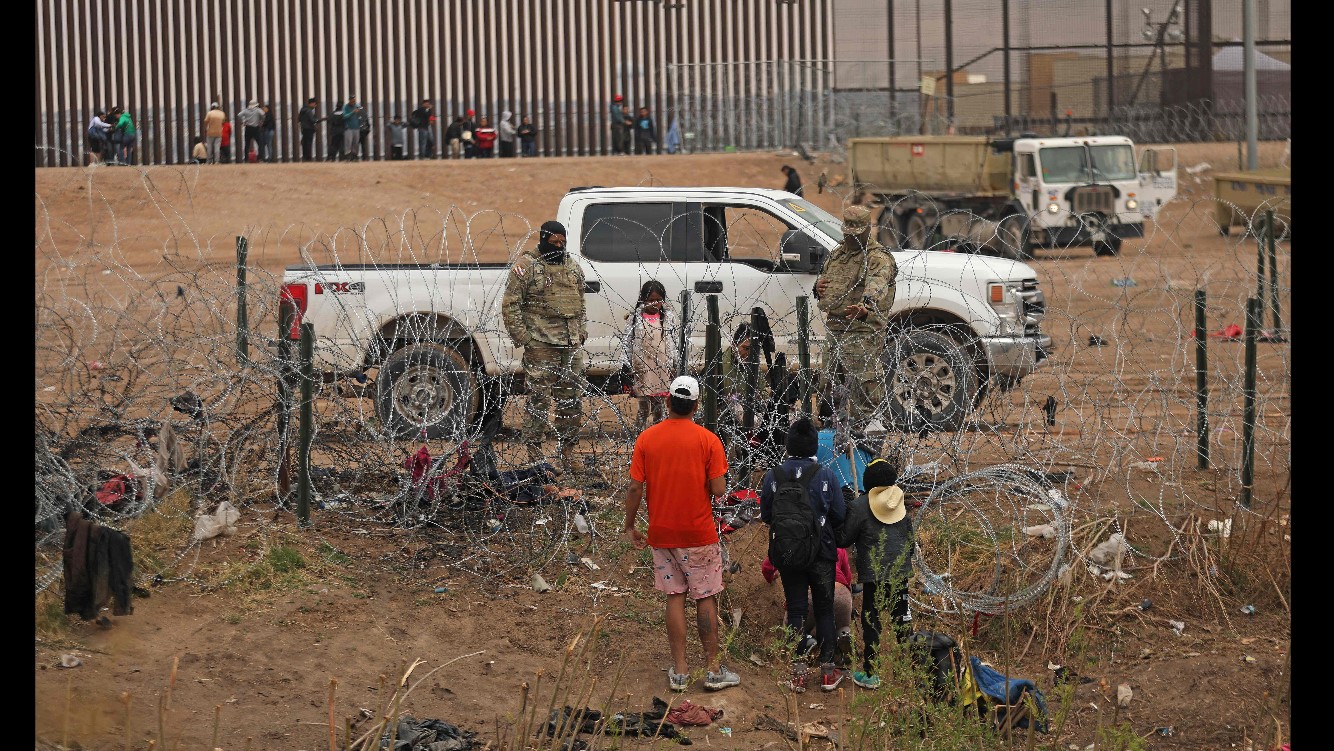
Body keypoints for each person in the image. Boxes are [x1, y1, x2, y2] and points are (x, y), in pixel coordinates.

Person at [622, 375, 741, 693]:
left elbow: (635, 487)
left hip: (662, 534)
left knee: (674, 597)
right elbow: (718, 490)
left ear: (667, 401)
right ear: (697, 406)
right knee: (705, 597)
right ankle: (713, 670)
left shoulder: (647, 439)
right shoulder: (708, 440)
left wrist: (630, 525)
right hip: (698, 534)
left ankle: (680, 671)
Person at [759, 417, 847, 692]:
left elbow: (766, 515)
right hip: (821, 552)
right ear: (814, 447)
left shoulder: (774, 476)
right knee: (824, 608)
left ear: (787, 445)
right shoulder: (826, 475)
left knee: (796, 608)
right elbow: (840, 514)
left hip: (788, 552)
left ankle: (798, 674)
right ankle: (827, 673)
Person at [501, 221, 588, 473]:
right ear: (543, 240)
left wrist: (581, 330)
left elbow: (580, 300)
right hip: (541, 344)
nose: (559, 247)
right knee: (539, 399)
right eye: (554, 243)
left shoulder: (571, 266)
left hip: (570, 345)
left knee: (571, 400)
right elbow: (511, 304)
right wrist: (525, 338)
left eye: (563, 243)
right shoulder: (527, 266)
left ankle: (568, 451)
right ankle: (534, 452)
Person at [813, 205, 897, 456]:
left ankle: (865, 449)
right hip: (836, 328)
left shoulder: (877, 257)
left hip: (861, 332)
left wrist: (866, 306)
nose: (851, 236)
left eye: (856, 231)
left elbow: (877, 284)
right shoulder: (838, 254)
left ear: (866, 230)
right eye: (848, 231)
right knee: (828, 386)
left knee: (864, 390)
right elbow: (825, 281)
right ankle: (833, 442)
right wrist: (818, 287)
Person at [836, 456, 914, 690]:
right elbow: (909, 541)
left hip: (874, 574)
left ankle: (871, 673)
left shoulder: (860, 505)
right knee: (901, 619)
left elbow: (844, 538)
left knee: (872, 621)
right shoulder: (900, 501)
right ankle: (908, 670)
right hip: (900, 571)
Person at [762, 546, 856, 669]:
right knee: (831, 623)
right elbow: (848, 578)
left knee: (793, 626)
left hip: (810, 593)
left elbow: (767, 567)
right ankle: (842, 635)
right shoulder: (834, 543)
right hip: (842, 594)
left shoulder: (793, 541)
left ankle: (806, 641)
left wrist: (770, 577)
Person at [621, 280, 678, 435]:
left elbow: (673, 342)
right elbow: (627, 342)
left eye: (658, 300)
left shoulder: (667, 318)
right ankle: (637, 436)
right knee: (644, 408)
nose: (655, 303)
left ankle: (657, 436)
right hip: (643, 369)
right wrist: (626, 364)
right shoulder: (635, 319)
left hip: (661, 368)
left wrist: (674, 364)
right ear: (643, 300)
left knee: (659, 407)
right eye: (651, 300)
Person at [341, 95, 364, 160]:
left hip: (357, 128)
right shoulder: (345, 107)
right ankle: (347, 157)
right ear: (349, 100)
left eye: (354, 101)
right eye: (352, 101)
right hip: (348, 128)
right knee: (348, 142)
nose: (354, 102)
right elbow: (344, 116)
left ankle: (355, 156)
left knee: (356, 142)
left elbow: (362, 113)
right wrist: (353, 112)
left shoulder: (357, 106)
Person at [298, 97, 320, 162]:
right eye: (315, 104)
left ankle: (304, 157)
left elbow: (299, 119)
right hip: (309, 129)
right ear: (312, 103)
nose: (315, 106)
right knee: (309, 144)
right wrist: (318, 120)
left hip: (304, 129)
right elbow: (313, 120)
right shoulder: (309, 110)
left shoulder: (302, 110)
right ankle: (308, 158)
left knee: (304, 143)